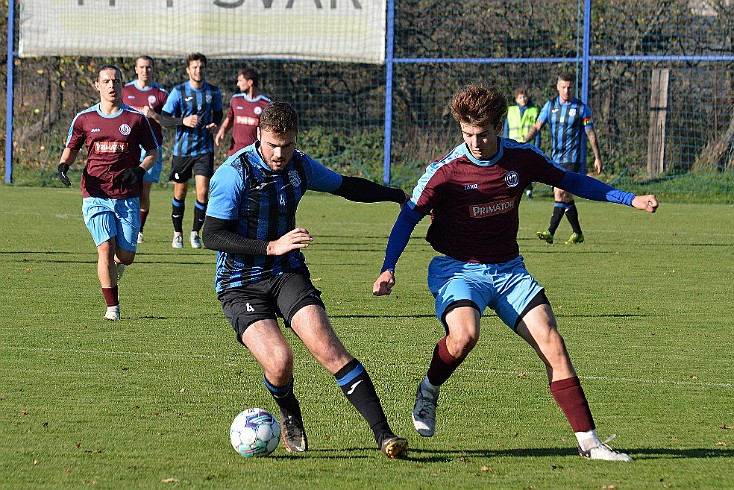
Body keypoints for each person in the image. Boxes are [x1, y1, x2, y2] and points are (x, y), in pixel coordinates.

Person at [373, 83, 658, 461]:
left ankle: (590, 444)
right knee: (464, 336)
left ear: (498, 127)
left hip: (510, 270)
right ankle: (429, 388)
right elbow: (408, 216)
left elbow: (572, 181)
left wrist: (630, 198)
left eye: (483, 133)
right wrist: (388, 268)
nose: (474, 142)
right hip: (458, 269)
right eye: (467, 134)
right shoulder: (445, 171)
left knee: (553, 345)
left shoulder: (522, 158)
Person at [202, 101, 409, 459]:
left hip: (287, 274)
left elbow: (346, 186)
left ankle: (385, 435)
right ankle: (288, 410)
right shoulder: (234, 173)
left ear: (296, 139)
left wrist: (397, 196)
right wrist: (271, 245)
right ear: (258, 137)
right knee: (280, 362)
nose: (280, 153)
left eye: (287, 144)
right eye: (272, 145)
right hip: (239, 283)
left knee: (329, 350)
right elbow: (212, 235)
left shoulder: (301, 166)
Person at [57, 65, 158, 320]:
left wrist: (140, 169)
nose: (111, 85)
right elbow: (72, 147)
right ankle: (112, 307)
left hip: (126, 196)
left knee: (126, 256)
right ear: (97, 85)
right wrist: (63, 166)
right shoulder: (84, 119)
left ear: (122, 84)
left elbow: (153, 152)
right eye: (106, 81)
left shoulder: (135, 119)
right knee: (104, 248)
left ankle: (117, 265)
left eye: (116, 80)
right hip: (95, 194)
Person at [524, 72, 603, 244]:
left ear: (573, 88)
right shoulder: (550, 105)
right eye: (563, 87)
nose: (566, 90)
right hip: (555, 158)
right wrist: (523, 142)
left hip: (573, 159)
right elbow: (537, 126)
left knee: (559, 192)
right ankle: (577, 233)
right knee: (566, 197)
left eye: (569, 87)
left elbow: (591, 134)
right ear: (558, 87)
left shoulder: (582, 108)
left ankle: (550, 231)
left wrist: (597, 157)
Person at [159, 53, 223, 249]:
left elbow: (218, 115)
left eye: (201, 67)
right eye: (194, 67)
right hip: (182, 151)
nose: (198, 70)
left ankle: (195, 234)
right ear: (188, 70)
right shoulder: (178, 92)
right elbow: (164, 119)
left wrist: (214, 125)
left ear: (205, 69)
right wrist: (183, 121)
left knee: (203, 192)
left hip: (204, 150)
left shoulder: (213, 92)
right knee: (181, 192)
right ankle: (177, 233)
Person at [122, 55, 169, 244]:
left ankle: (139, 229)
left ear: (153, 69)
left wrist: (153, 115)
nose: (145, 71)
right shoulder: (125, 90)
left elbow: (169, 121)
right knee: (127, 188)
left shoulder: (161, 94)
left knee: (143, 191)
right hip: (129, 146)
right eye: (141, 67)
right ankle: (128, 227)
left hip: (152, 147)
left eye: (148, 67)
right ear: (135, 69)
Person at [215, 66, 271, 157]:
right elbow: (229, 119)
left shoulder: (266, 104)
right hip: (235, 152)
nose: (238, 84)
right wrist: (222, 130)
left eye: (240, 81)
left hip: (255, 154)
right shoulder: (236, 100)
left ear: (250, 82)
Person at [504, 87, 540, 200]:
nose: (523, 99)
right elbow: (507, 128)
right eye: (520, 97)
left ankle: (529, 190)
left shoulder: (533, 111)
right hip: (513, 145)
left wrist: (537, 145)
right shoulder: (511, 111)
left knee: (527, 168)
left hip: (528, 145)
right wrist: (506, 143)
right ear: (516, 99)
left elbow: (537, 130)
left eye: (524, 97)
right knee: (513, 168)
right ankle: (514, 189)